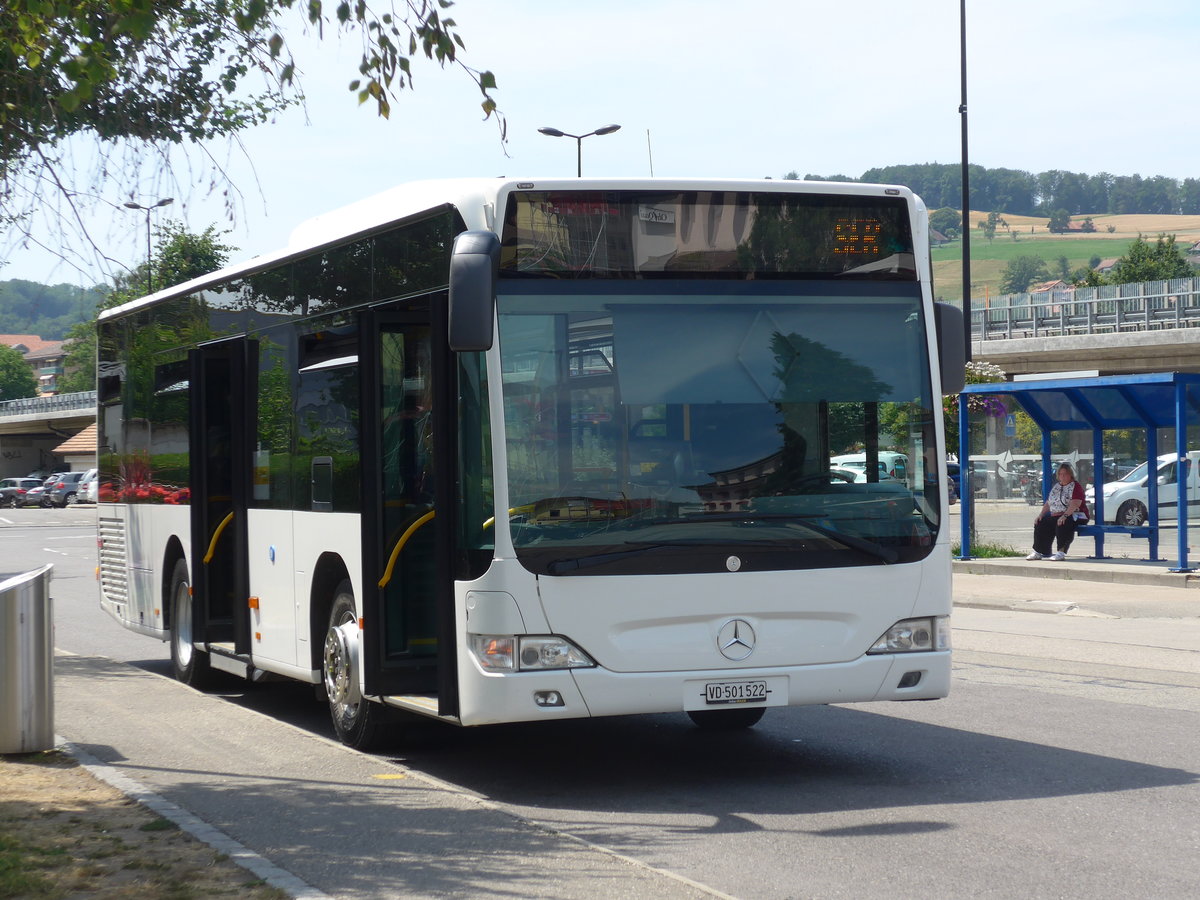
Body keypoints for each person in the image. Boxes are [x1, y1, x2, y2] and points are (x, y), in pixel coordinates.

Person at [1027, 462, 1088, 560]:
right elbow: (1049, 502)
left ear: (1070, 475)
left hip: (1077, 515)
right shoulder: (1057, 487)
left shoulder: (1075, 486)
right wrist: (1041, 514)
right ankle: (1039, 551)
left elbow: (1075, 503)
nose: (1063, 476)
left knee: (1063, 522)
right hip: (1057, 514)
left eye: (1065, 474)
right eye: (1060, 474)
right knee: (1041, 522)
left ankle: (1061, 552)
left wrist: (1065, 515)